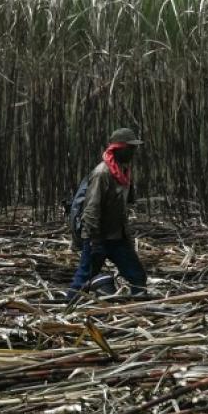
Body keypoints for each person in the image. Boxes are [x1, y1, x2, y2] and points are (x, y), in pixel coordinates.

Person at [67, 128, 148, 300]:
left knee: (137, 276)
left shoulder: (123, 171)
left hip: (117, 237)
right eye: (130, 147)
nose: (134, 152)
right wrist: (94, 241)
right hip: (98, 238)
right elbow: (91, 209)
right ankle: (67, 306)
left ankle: (141, 306)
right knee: (84, 278)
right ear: (119, 148)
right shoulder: (102, 173)